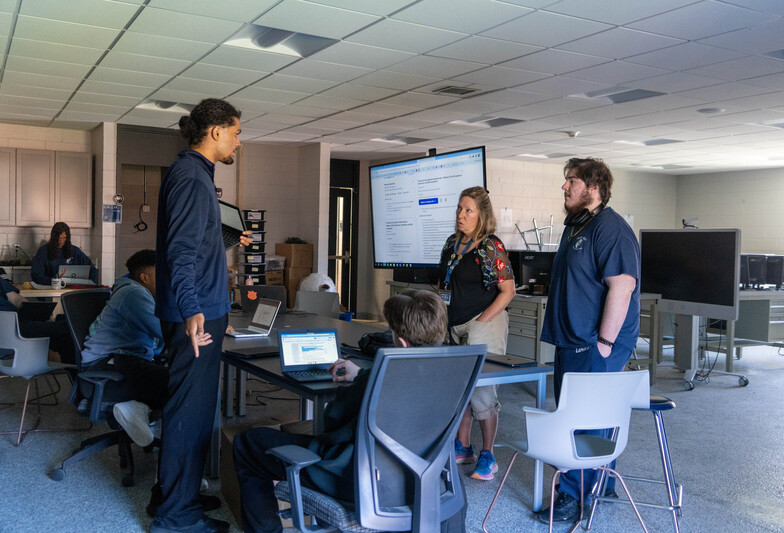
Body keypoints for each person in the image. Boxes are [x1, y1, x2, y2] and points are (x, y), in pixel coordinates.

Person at [232, 289, 467, 533]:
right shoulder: (452, 374)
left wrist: (359, 383)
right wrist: (362, 374)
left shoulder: (380, 378)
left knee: (247, 443)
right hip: (428, 480)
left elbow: (331, 428)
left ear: (402, 342)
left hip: (357, 480)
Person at [151, 98, 250, 533]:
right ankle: (176, 517)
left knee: (191, 410)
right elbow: (181, 252)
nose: (238, 142)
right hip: (193, 316)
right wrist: (195, 309)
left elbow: (199, 247)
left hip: (202, 312)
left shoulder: (192, 175)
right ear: (215, 132)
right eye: (236, 132)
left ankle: (175, 496)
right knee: (188, 415)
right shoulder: (192, 178)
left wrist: (227, 245)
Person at [537, 157, 640, 525]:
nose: (565, 187)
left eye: (571, 181)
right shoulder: (578, 225)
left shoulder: (612, 230)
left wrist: (605, 345)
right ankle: (600, 485)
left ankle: (573, 497)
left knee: (582, 422)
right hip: (571, 341)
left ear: (593, 189)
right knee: (589, 417)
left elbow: (622, 287)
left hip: (595, 344)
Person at [437, 186, 515, 481]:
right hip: (453, 323)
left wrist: (481, 321)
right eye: (459, 209)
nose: (461, 215)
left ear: (482, 215)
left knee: (482, 391)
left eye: (468, 210)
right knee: (460, 389)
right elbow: (443, 285)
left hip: (485, 322)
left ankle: (488, 454)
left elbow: (508, 291)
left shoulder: (490, 246)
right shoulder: (451, 244)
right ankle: (464, 446)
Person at [80, 249, 167, 448]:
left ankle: (136, 408)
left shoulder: (135, 291)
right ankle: (175, 457)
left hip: (119, 361)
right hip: (106, 366)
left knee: (175, 379)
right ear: (144, 277)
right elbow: (164, 331)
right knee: (179, 383)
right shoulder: (133, 293)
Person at [0, 276, 75, 363]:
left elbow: (15, 298)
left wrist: (31, 309)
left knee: (66, 330)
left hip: (21, 323)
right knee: (69, 326)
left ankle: (77, 372)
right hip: (7, 328)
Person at [31, 222, 98, 285]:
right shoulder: (43, 252)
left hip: (71, 291)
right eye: (59, 238)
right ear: (54, 237)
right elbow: (36, 275)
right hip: (50, 290)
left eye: (64, 238)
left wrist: (91, 286)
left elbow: (92, 270)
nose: (61, 241)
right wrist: (54, 281)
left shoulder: (75, 251)